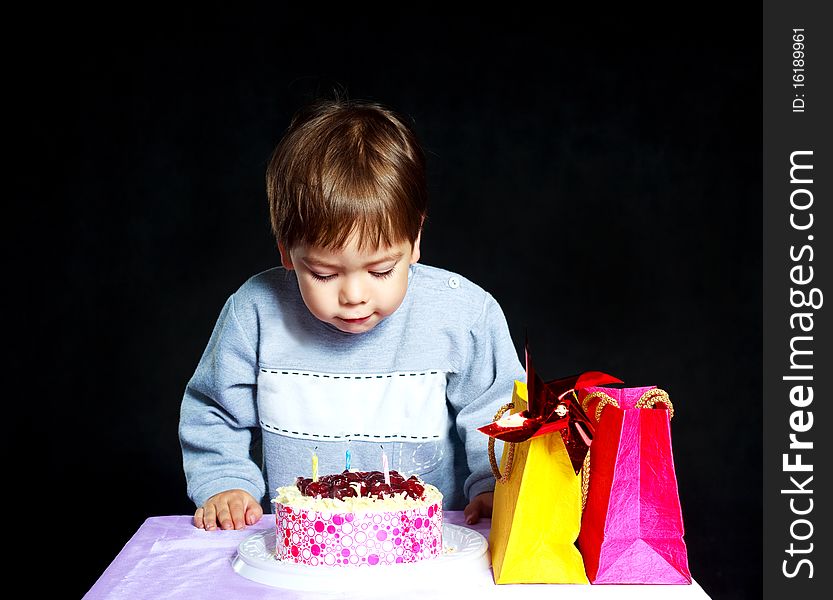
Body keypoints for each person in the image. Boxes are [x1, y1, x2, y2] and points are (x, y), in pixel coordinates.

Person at [179, 96, 524, 531]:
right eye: (324, 274)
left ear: (415, 239)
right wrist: (225, 482)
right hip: (302, 551)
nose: (355, 296)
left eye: (381, 270)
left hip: (428, 550)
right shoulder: (254, 313)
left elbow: (499, 415)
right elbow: (213, 411)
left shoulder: (463, 314)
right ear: (288, 252)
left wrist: (496, 488)